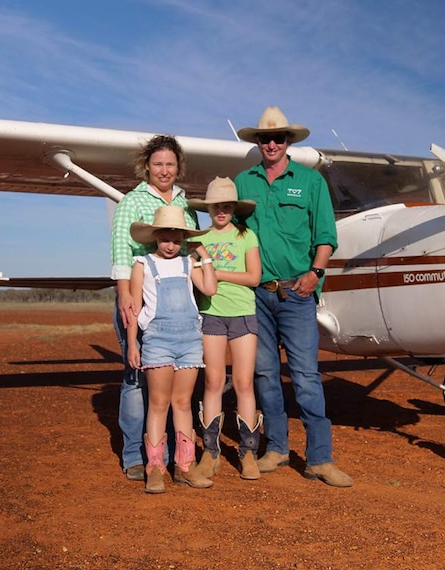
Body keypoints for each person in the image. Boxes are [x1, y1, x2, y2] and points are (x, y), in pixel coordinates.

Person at [234, 106, 353, 487]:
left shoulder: (311, 181)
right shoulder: (241, 182)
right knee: (266, 375)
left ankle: (319, 458)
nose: (271, 143)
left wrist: (314, 274)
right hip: (256, 294)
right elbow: (231, 235)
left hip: (297, 294)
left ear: (288, 142)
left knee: (305, 377)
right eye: (264, 138)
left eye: (278, 138)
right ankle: (278, 449)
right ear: (257, 142)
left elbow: (325, 236)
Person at [110, 135, 198, 482]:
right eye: (158, 164)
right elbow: (120, 250)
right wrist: (124, 295)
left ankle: (178, 458)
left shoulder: (184, 202)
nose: (164, 170)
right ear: (147, 166)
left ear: (178, 168)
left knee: (175, 386)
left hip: (177, 307)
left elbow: (189, 248)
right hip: (140, 292)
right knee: (135, 380)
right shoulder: (132, 202)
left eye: (170, 165)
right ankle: (135, 455)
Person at [125, 205, 218, 494]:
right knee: (158, 403)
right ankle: (155, 468)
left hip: (190, 339)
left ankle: (185, 466)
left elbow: (211, 288)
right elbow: (134, 308)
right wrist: (132, 343)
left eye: (177, 239)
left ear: (183, 239)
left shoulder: (188, 263)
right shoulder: (142, 264)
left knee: (182, 403)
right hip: (158, 340)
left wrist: (204, 255)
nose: (170, 245)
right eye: (165, 238)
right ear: (155, 237)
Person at [188, 177, 263, 481]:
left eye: (227, 205)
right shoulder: (198, 240)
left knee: (244, 383)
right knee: (214, 382)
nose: (222, 210)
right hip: (211, 314)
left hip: (243, 313)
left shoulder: (247, 236)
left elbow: (254, 278)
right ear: (209, 208)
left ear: (234, 208)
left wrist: (216, 271)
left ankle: (248, 452)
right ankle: (211, 452)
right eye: (217, 206)